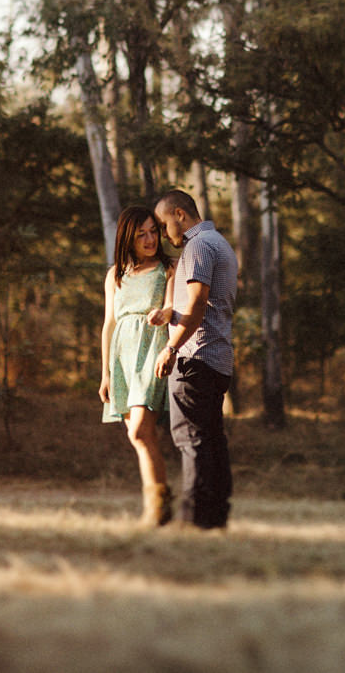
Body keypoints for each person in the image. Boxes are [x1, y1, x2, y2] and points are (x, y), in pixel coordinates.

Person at [148, 189, 238, 530]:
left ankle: (194, 518)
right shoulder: (219, 243)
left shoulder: (198, 246)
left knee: (191, 437)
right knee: (212, 438)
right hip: (217, 356)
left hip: (195, 356)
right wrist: (170, 311)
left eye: (162, 223)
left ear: (179, 215)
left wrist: (171, 347)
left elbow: (199, 304)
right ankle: (215, 517)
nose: (162, 232)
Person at [99, 204, 177, 526]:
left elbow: (173, 304)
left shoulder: (168, 267)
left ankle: (157, 508)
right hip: (122, 357)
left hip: (152, 351)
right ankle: (159, 502)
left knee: (141, 430)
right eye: (141, 233)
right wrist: (104, 373)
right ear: (127, 237)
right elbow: (109, 323)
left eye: (153, 231)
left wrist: (166, 313)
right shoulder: (116, 273)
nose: (149, 239)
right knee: (137, 436)